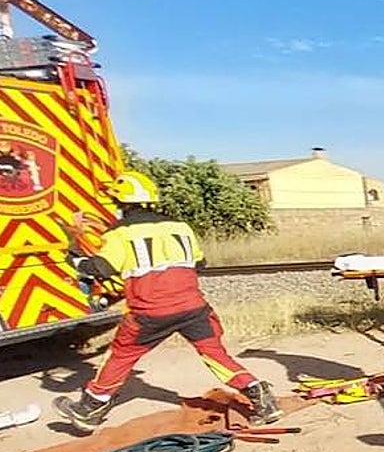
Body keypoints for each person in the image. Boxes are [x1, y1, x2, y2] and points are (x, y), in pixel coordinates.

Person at [54, 171, 282, 432]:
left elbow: (98, 269)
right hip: (194, 309)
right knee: (215, 355)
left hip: (149, 314)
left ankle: (90, 408)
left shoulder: (120, 233)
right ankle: (260, 397)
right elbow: (199, 263)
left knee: (120, 356)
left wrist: (72, 245)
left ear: (121, 204)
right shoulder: (180, 227)